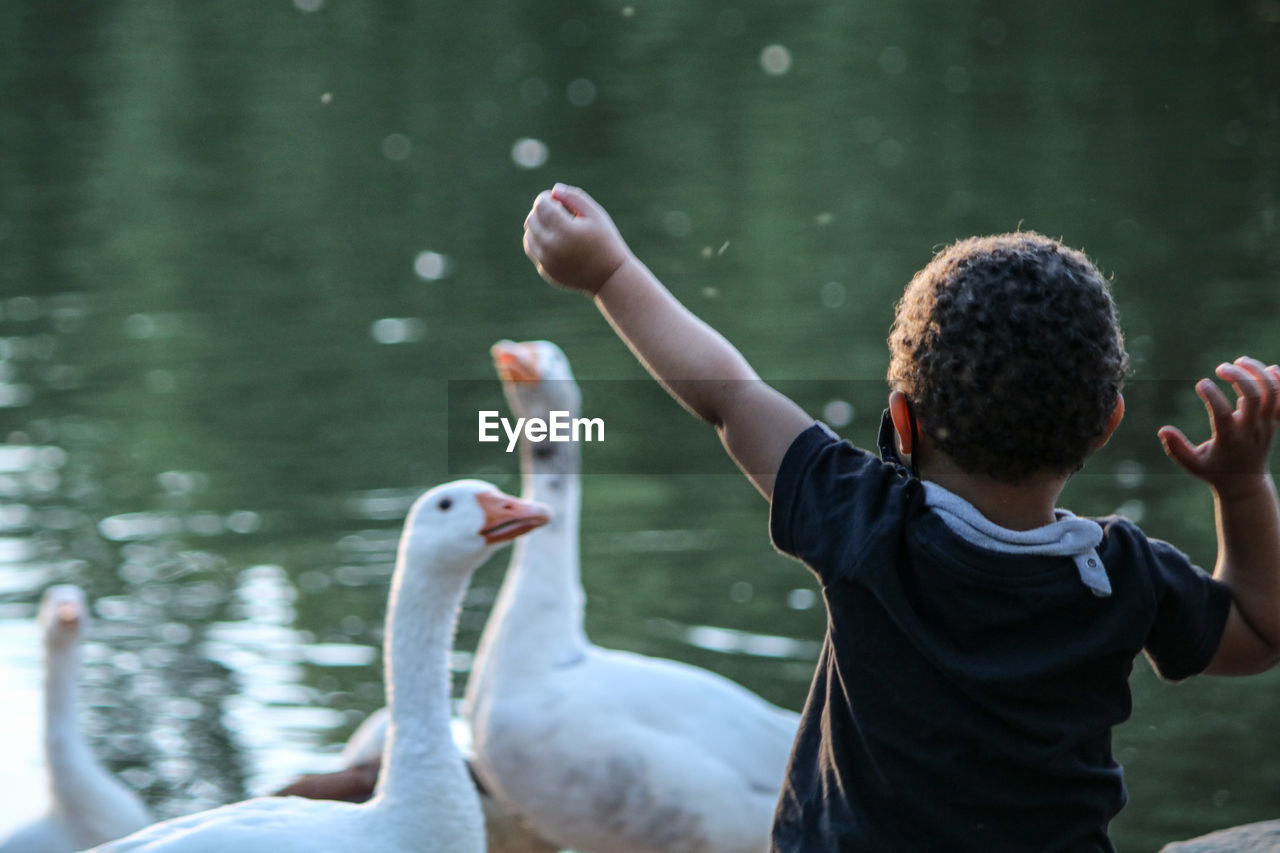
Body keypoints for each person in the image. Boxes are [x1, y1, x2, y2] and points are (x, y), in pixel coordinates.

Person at [520, 183, 1280, 852]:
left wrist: (610, 274)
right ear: (1105, 424)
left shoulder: (863, 518)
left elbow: (726, 396)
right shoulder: (1118, 574)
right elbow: (1256, 634)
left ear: (901, 424)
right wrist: (1242, 487)